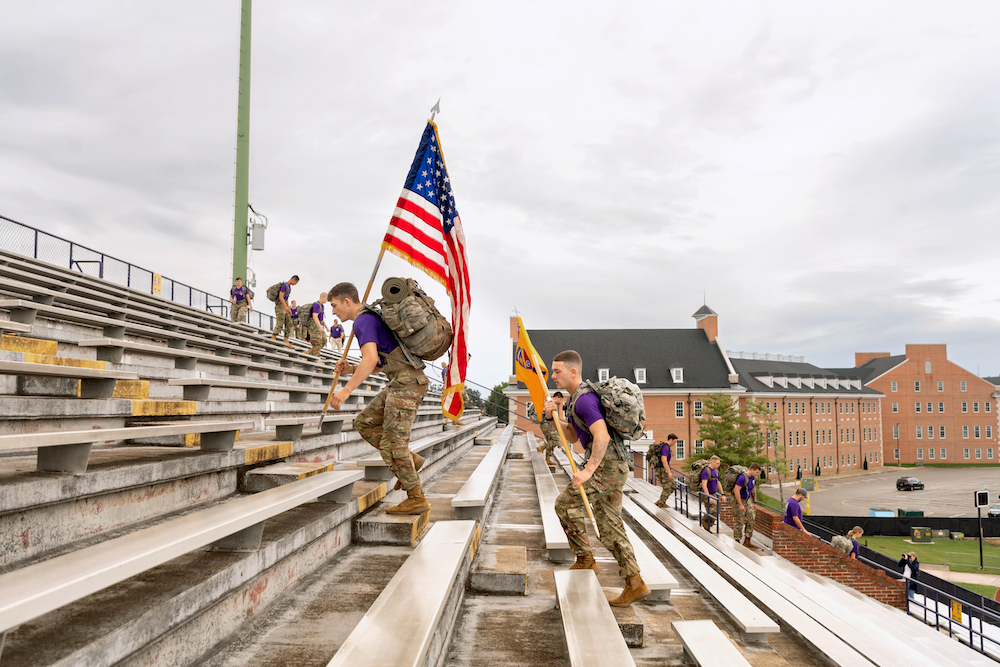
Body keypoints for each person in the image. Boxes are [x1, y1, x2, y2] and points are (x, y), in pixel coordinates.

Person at [544, 350, 648, 607]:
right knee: (609, 525)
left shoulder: (584, 400)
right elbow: (572, 438)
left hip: (608, 468)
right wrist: (552, 415)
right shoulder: (573, 400)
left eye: (557, 371)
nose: (552, 375)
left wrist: (588, 470)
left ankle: (585, 559)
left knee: (565, 504)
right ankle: (635, 582)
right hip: (614, 466)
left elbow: (601, 436)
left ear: (573, 371)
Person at [327, 282, 430, 515]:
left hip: (407, 384)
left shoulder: (363, 321)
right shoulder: (369, 318)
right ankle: (410, 462)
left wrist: (346, 390)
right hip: (401, 380)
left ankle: (417, 498)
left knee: (392, 444)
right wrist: (351, 369)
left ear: (347, 301)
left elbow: (371, 359)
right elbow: (382, 362)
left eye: (334, 306)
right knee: (364, 422)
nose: (333, 311)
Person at [732, 463, 761, 549]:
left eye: (758, 473)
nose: (757, 474)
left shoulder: (754, 478)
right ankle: (737, 540)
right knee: (739, 521)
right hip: (739, 500)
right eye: (756, 472)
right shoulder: (742, 477)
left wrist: (755, 502)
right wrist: (740, 504)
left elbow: (753, 489)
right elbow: (736, 491)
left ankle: (747, 540)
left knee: (751, 518)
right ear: (751, 469)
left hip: (748, 501)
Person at [536, 391, 564, 467]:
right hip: (546, 423)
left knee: (551, 440)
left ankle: (548, 458)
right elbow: (542, 408)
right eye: (560, 399)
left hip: (549, 424)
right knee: (556, 440)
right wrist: (550, 410)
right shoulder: (549, 401)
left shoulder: (552, 403)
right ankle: (542, 447)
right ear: (557, 397)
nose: (560, 402)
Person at [269, 275, 299, 348]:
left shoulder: (289, 288)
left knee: (289, 323)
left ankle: (286, 340)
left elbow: (286, 298)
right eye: (296, 282)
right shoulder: (284, 286)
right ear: (293, 280)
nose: (295, 284)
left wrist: (288, 308)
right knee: (280, 322)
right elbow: (280, 297)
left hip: (285, 306)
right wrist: (285, 307)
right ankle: (273, 338)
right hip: (280, 306)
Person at [699, 455, 722, 531]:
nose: (718, 465)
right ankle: (704, 520)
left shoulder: (716, 471)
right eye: (717, 463)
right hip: (706, 494)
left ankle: (708, 525)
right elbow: (704, 485)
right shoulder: (706, 471)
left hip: (714, 494)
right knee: (712, 511)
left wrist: (722, 494)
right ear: (713, 462)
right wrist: (708, 497)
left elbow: (718, 482)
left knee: (716, 511)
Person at [654, 435, 677, 508]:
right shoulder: (665, 447)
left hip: (663, 469)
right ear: (671, 439)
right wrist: (669, 472)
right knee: (667, 487)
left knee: (673, 485)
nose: (674, 443)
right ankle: (661, 503)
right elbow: (663, 460)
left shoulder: (666, 447)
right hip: (662, 469)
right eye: (674, 441)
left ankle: (661, 501)